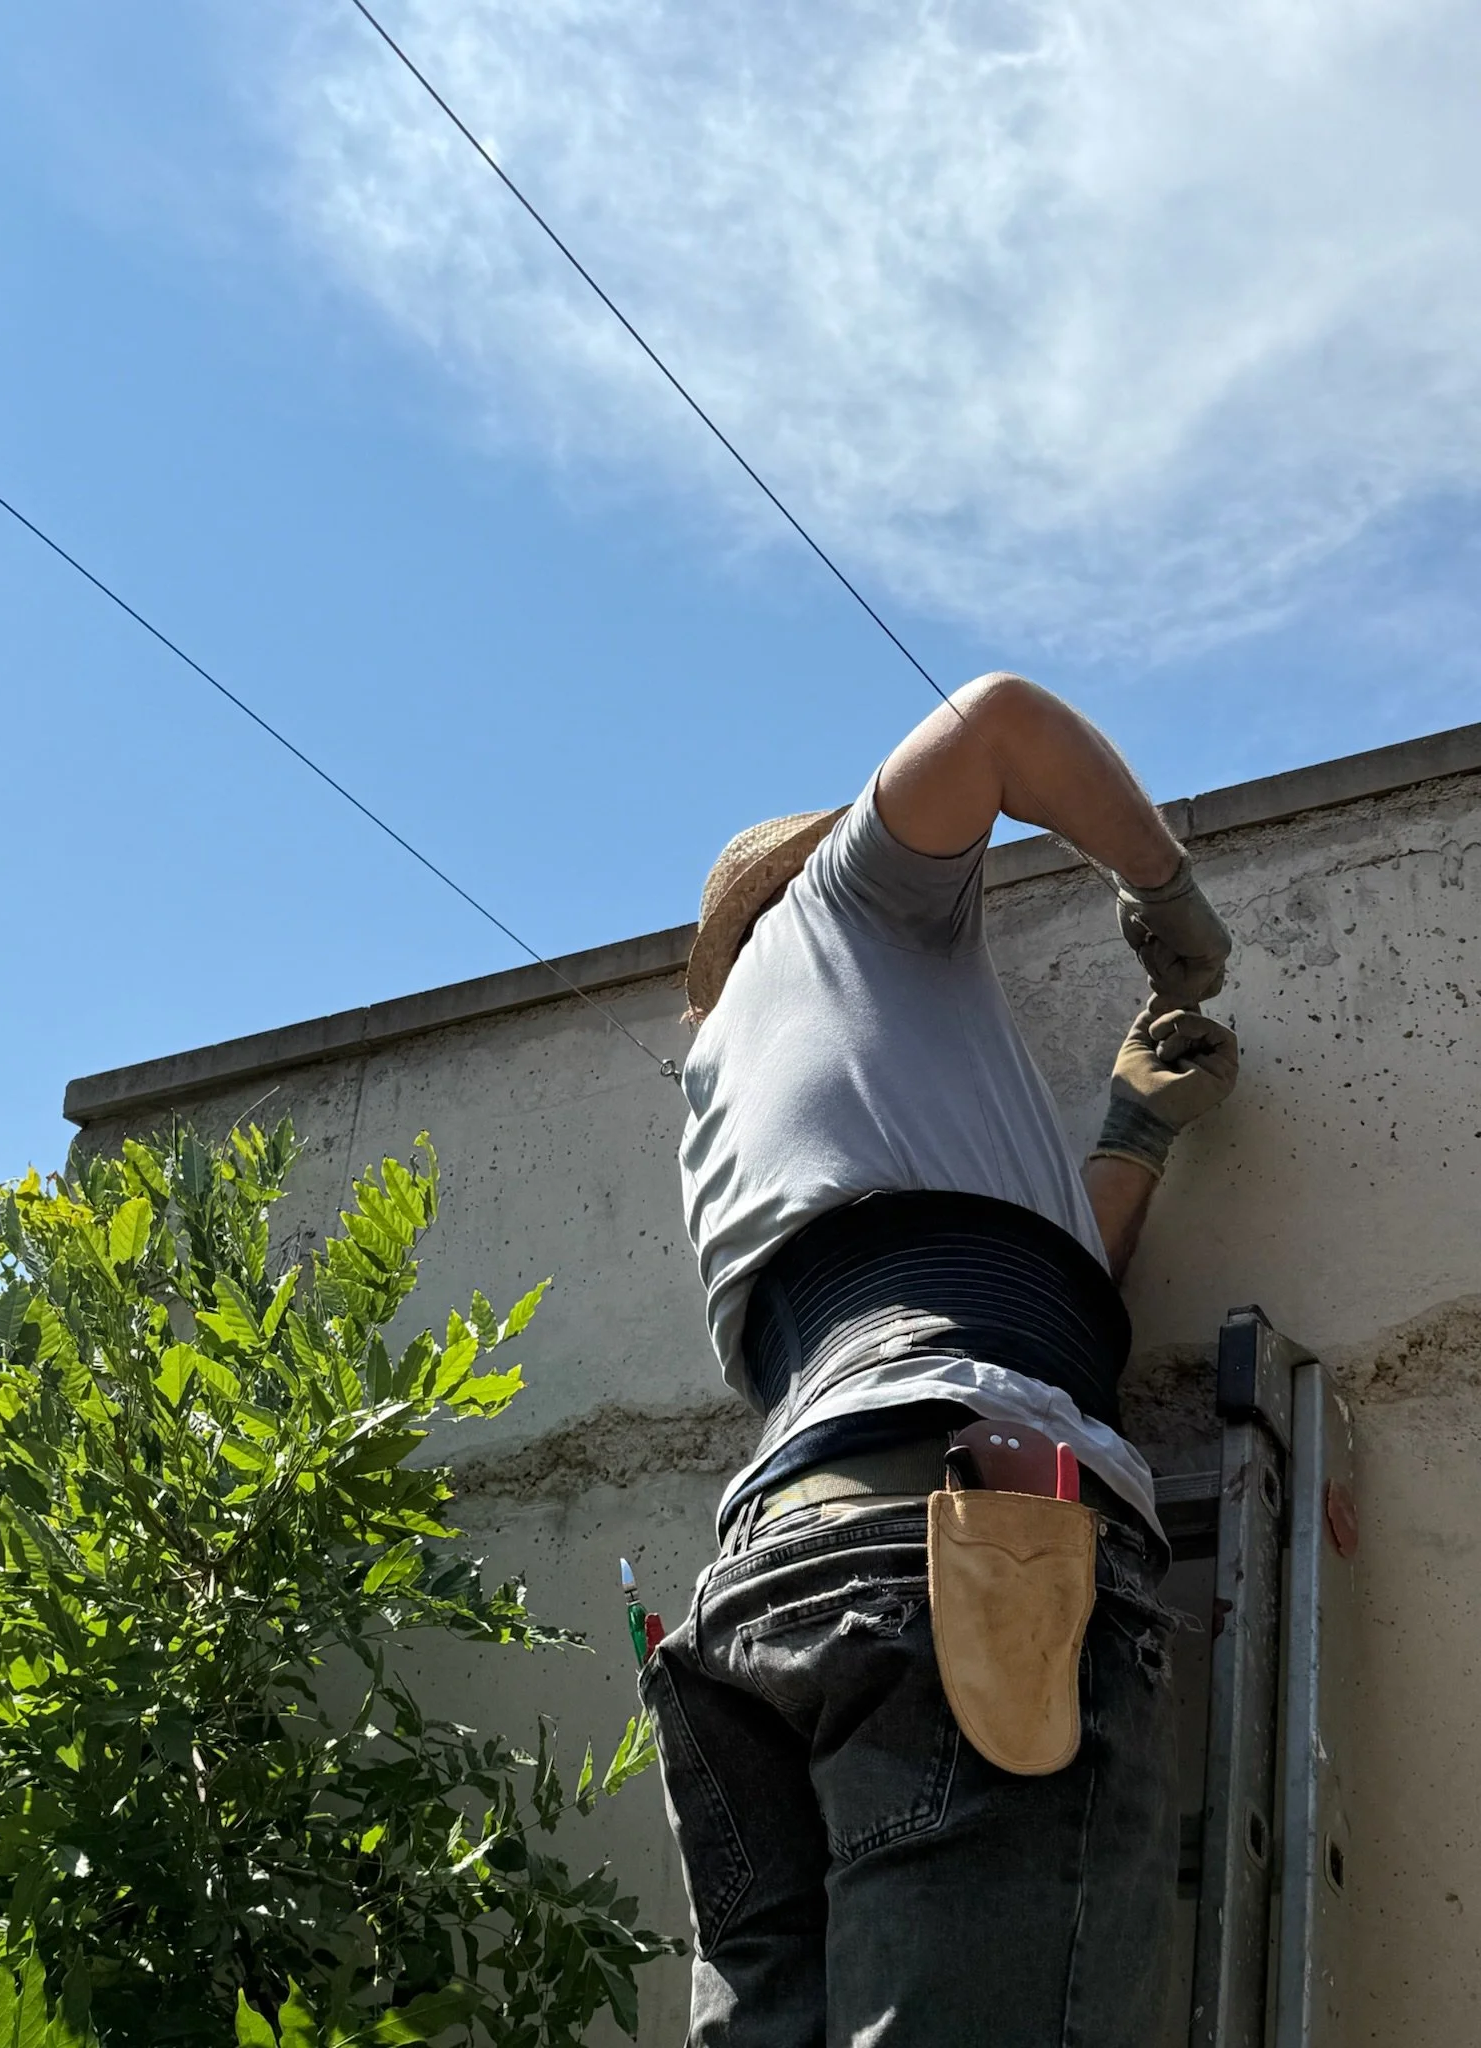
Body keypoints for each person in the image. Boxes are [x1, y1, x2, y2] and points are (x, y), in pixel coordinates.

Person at [641, 672, 1240, 2048]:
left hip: (773, 1588)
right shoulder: (842, 910)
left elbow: (1002, 1299)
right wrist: (1163, 894)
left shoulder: (728, 1113)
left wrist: (1132, 1134)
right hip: (948, 1549)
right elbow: (999, 723)